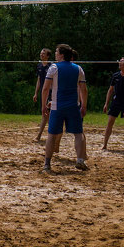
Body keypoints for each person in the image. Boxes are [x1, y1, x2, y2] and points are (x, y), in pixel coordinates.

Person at [41, 43, 88, 173]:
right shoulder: (78, 69)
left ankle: (47, 164)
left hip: (57, 106)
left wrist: (43, 105)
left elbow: (45, 89)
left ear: (61, 54)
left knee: (52, 135)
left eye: (56, 52)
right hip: (73, 106)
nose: (55, 54)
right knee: (78, 134)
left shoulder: (54, 68)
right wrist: (84, 105)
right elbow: (84, 90)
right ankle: (80, 160)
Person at [33, 48, 52, 143]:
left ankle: (41, 135)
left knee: (48, 114)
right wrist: (36, 93)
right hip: (43, 93)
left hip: (51, 93)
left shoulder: (52, 66)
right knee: (45, 114)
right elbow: (39, 80)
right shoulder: (39, 65)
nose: (41, 55)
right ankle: (48, 135)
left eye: (43, 53)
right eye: (41, 53)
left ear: (48, 56)